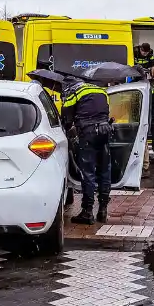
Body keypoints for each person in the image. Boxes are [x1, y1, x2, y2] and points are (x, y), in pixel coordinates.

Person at [61, 75, 113, 225]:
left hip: (88, 133)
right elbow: (105, 113)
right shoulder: (102, 91)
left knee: (88, 172)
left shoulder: (74, 93)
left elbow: (67, 120)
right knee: (104, 170)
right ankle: (103, 210)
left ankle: (87, 212)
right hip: (105, 132)